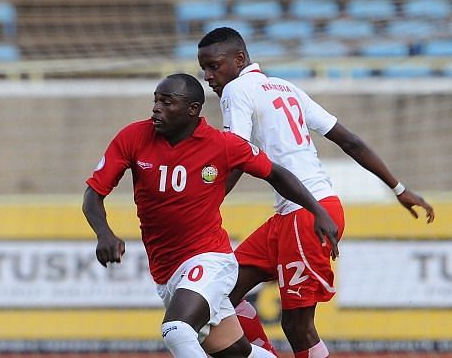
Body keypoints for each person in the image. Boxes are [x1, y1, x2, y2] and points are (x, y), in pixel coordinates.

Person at [197, 27, 436, 358]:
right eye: (204, 68)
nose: (208, 76)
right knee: (220, 294)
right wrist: (399, 188)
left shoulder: (236, 91)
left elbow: (237, 155)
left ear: (239, 59)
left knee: (297, 326)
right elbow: (349, 139)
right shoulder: (286, 87)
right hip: (295, 214)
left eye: (214, 66)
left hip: (307, 213)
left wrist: (205, 205)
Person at [82, 73, 340, 358]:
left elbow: (276, 174)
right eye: (156, 101)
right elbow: (93, 194)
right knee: (237, 353)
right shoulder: (133, 136)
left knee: (177, 329)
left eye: (167, 103)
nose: (157, 108)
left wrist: (317, 211)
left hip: (210, 259)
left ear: (193, 110)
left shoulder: (223, 145)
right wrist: (103, 233)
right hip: (167, 270)